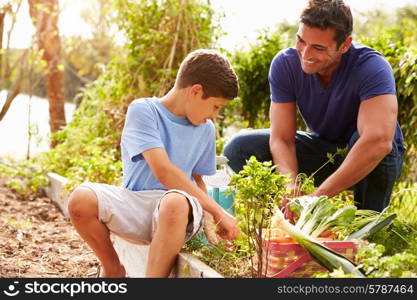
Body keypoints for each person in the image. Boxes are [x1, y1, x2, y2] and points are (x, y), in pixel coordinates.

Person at [67, 49, 240, 278]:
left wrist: (208, 219)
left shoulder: (205, 130)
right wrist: (219, 211)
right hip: (136, 205)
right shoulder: (144, 110)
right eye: (215, 106)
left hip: (178, 213)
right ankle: (113, 269)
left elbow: (197, 179)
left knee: (175, 202)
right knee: (81, 199)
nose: (214, 115)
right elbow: (163, 172)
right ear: (196, 91)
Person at [224, 0, 405, 212]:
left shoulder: (372, 67)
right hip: (324, 151)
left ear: (345, 45)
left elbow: (379, 141)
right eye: (301, 41)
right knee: (239, 148)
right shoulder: (285, 65)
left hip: (373, 159)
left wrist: (316, 197)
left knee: (371, 141)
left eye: (318, 48)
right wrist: (289, 188)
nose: (306, 54)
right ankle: (286, 217)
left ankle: (364, 224)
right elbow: (282, 138)